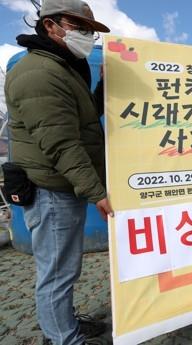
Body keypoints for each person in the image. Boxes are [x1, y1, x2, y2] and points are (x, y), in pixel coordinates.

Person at [4, 1, 113, 344]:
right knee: (56, 274)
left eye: (90, 29)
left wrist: (101, 90)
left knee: (64, 268)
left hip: (62, 186)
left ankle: (66, 324)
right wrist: (97, 193)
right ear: (51, 26)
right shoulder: (39, 73)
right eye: (79, 27)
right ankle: (65, 338)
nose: (87, 35)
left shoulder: (63, 67)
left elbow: (78, 119)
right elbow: (62, 144)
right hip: (51, 190)